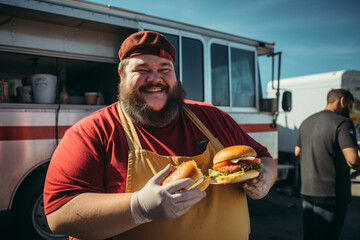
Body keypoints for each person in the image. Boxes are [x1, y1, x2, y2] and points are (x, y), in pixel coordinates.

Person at [44, 31, 277, 240]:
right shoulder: (94, 131)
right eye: (142, 70)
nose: (155, 78)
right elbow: (59, 214)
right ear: (122, 74)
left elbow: (263, 158)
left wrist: (265, 178)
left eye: (165, 69)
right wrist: (139, 208)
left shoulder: (212, 118)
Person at [295, 89, 360, 240]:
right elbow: (353, 160)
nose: (350, 110)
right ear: (342, 101)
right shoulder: (343, 123)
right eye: (350, 106)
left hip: (307, 192)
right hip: (331, 194)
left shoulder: (306, 121)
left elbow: (297, 152)